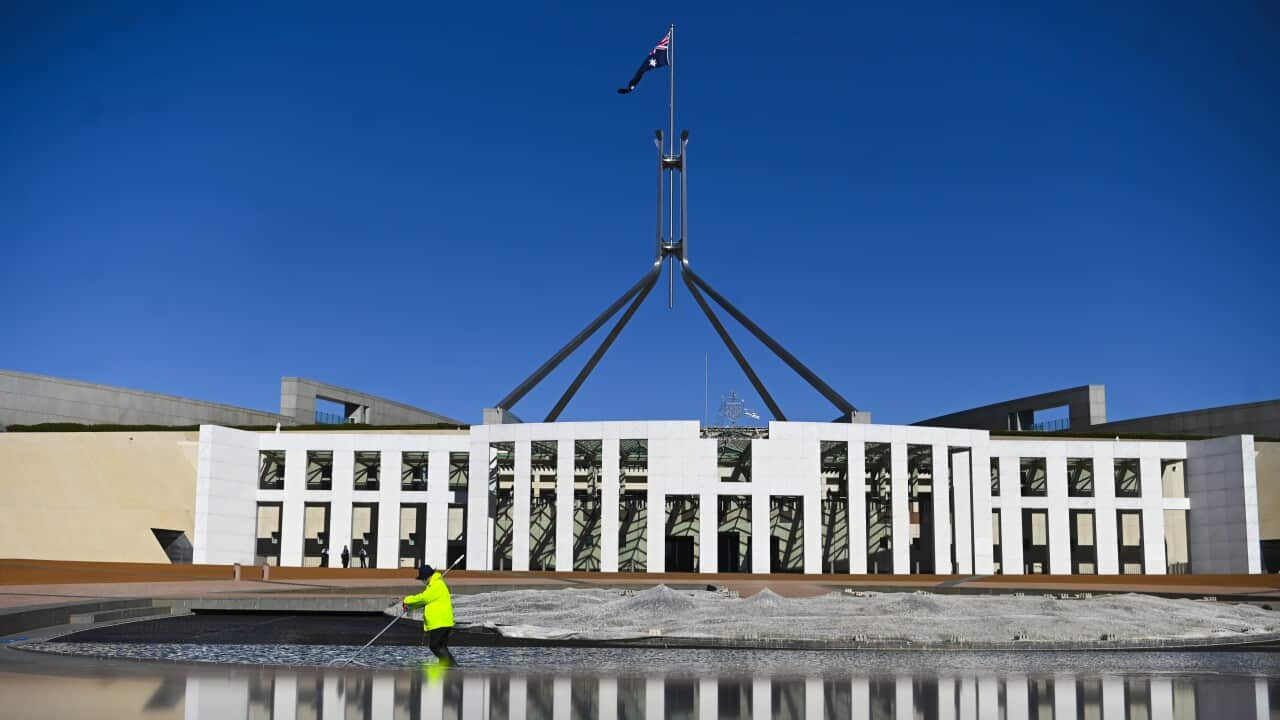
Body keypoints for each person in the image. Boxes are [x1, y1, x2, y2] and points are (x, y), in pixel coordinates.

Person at [403, 564, 456, 666]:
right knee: (441, 647)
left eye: (423, 579)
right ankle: (446, 666)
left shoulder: (437, 584)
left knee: (435, 646)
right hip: (442, 621)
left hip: (440, 622)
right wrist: (410, 607)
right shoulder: (433, 585)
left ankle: (452, 666)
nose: (422, 581)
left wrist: (407, 600)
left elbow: (424, 598)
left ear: (427, 577)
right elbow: (426, 602)